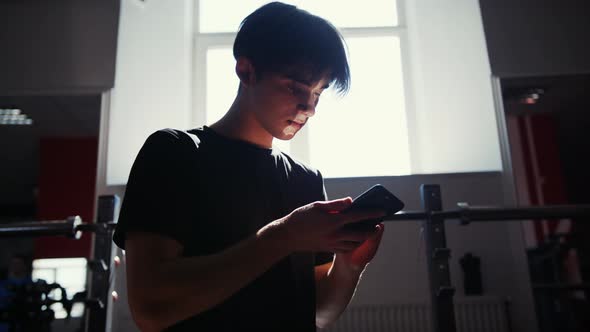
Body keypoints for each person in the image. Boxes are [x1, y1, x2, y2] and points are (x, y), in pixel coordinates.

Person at [113, 2, 386, 331]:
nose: (309, 107)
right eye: (295, 87)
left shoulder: (305, 180)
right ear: (246, 70)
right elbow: (150, 307)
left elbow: (316, 315)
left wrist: (348, 267)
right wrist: (285, 235)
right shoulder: (174, 153)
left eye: (318, 92)